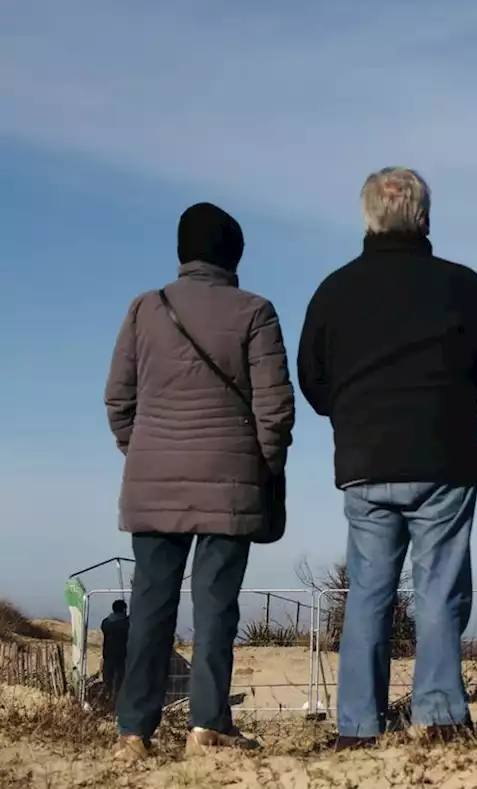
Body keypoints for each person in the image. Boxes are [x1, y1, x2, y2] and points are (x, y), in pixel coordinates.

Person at [297, 168, 477, 750]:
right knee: (439, 589)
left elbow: (312, 381)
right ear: (424, 216)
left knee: (368, 592)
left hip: (366, 459)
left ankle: (358, 725)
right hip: (444, 456)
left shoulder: (334, 290)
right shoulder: (464, 286)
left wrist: (351, 411)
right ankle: (440, 716)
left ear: (367, 217)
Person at [104, 203, 295, 761]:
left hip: (152, 484)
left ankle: (133, 733)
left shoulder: (145, 309)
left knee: (150, 607)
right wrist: (260, 465)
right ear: (235, 255)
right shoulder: (256, 310)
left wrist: (143, 451)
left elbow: (119, 399)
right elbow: (275, 407)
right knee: (216, 608)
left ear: (182, 252)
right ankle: (207, 726)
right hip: (229, 483)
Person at [100, 600, 130, 699]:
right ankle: (116, 699)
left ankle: (106, 698)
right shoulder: (126, 624)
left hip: (108, 655)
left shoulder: (106, 622)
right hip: (122, 656)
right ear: (124, 609)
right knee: (119, 680)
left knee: (107, 678)